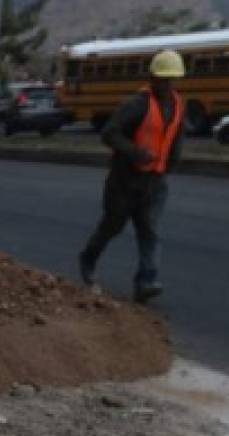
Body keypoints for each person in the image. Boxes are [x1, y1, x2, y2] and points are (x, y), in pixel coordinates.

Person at [78, 49, 187, 303]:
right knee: (112, 226)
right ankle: (88, 257)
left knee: (149, 230)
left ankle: (146, 281)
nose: (167, 83)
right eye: (163, 78)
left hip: (155, 181)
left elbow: (176, 137)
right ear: (152, 77)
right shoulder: (136, 104)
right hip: (125, 180)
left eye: (172, 79)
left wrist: (170, 166)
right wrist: (134, 152)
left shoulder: (179, 104)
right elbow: (109, 133)